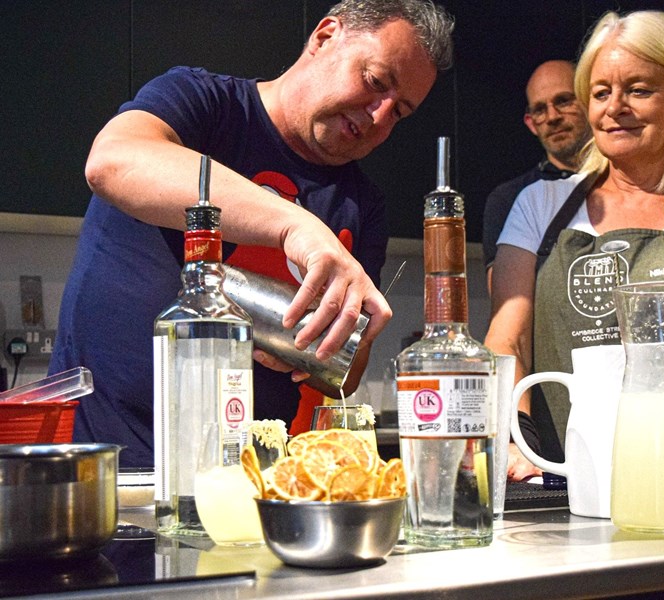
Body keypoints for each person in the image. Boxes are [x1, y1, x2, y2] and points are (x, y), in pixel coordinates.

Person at [49, 0, 454, 468]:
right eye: (376, 81)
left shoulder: (361, 202)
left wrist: (314, 352)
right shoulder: (204, 103)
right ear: (325, 38)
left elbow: (347, 372)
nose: (380, 116)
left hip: (252, 489)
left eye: (400, 112)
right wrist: (295, 225)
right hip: (108, 470)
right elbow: (113, 161)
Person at [485, 10, 664, 480]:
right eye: (600, 93)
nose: (614, 108)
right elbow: (506, 339)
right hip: (562, 483)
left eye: (638, 90)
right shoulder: (539, 204)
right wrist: (517, 440)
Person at [482, 60, 591, 291]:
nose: (553, 117)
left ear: (590, 102)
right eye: (540, 109)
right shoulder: (510, 199)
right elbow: (505, 299)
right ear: (531, 124)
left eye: (563, 101)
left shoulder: (625, 183)